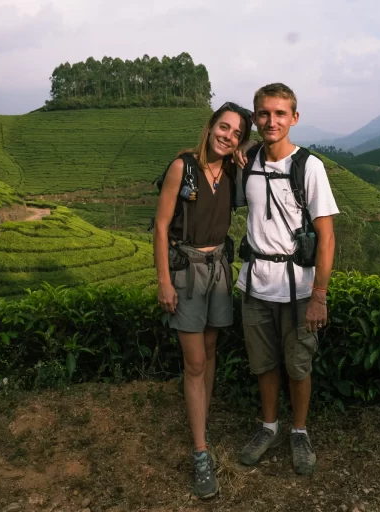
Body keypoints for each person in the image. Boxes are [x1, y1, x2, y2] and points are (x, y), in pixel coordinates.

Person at [234, 83, 339, 475]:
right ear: (254, 118)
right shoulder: (248, 160)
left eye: (280, 113)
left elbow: (326, 237)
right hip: (255, 283)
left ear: (294, 117)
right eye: (264, 113)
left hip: (297, 287)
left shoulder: (309, 167)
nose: (271, 121)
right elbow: (205, 158)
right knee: (263, 363)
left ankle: (299, 430)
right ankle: (269, 426)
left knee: (298, 365)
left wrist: (319, 295)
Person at [153, 102, 251, 498]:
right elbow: (161, 226)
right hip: (187, 270)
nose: (228, 136)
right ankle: (200, 453)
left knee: (210, 350)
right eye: (223, 127)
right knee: (195, 362)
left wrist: (244, 154)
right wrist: (164, 281)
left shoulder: (231, 172)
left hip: (219, 268)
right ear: (210, 126)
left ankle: (201, 422)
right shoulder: (183, 167)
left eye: (236, 133)